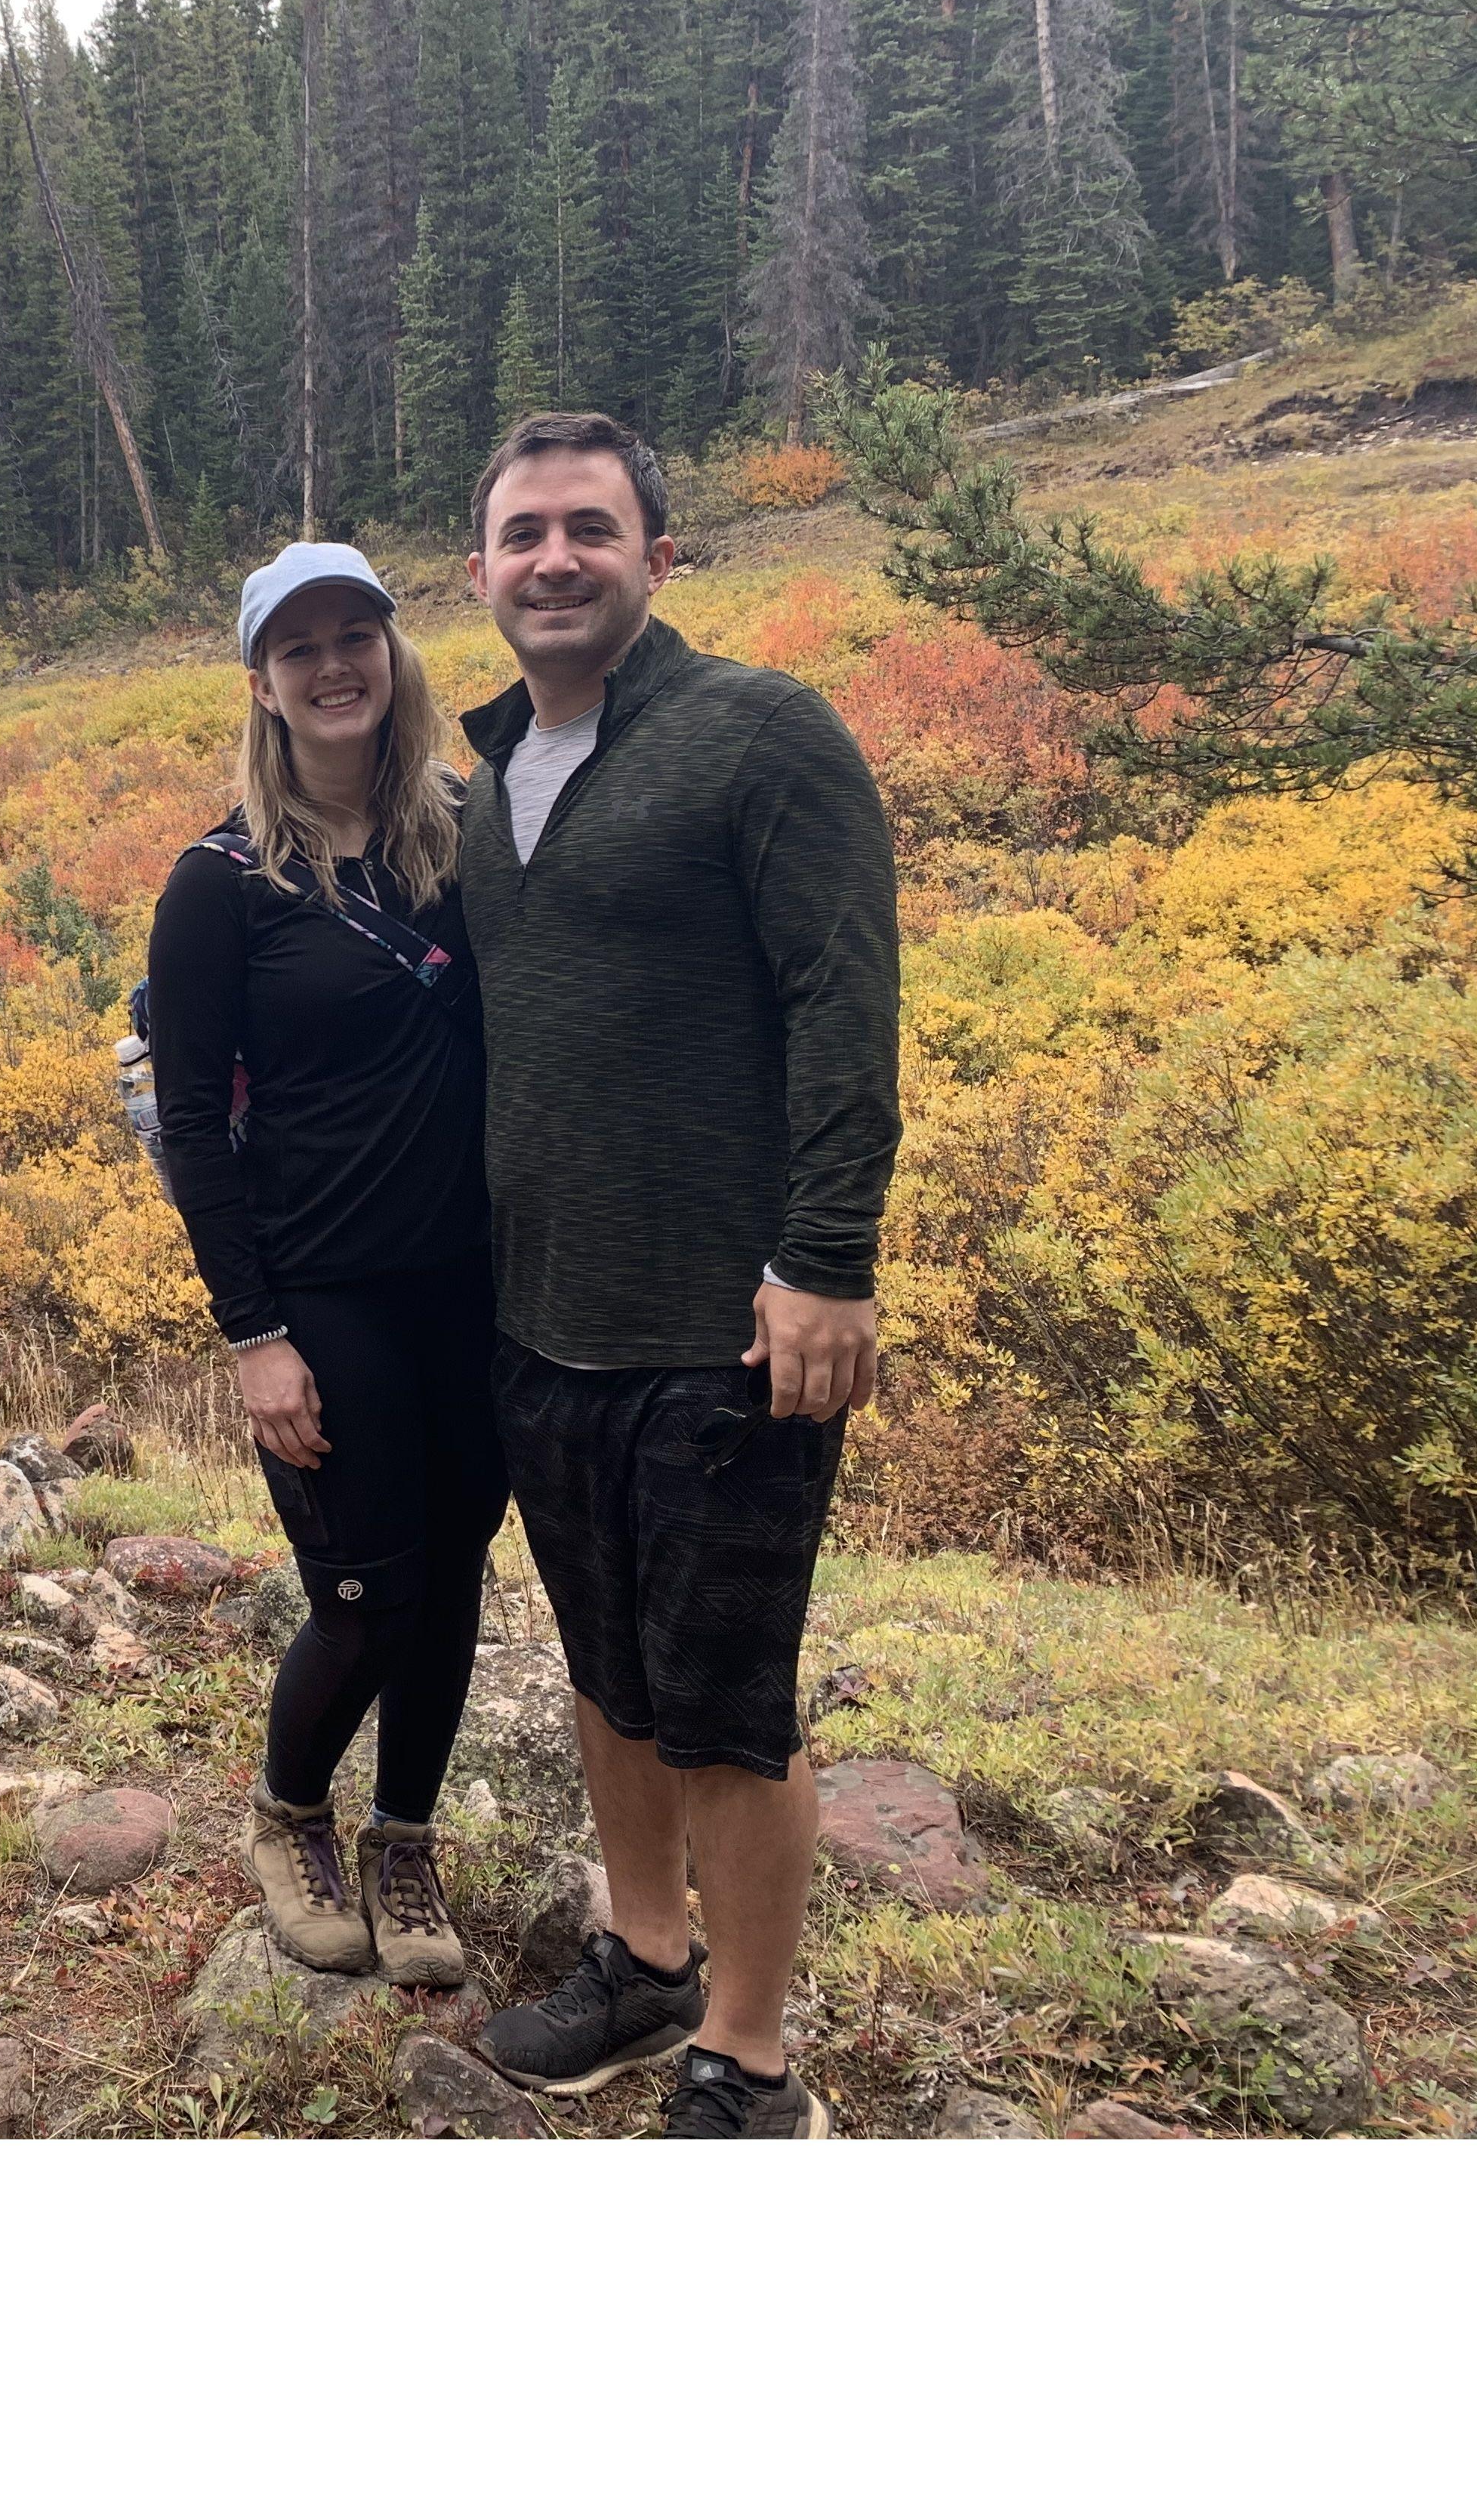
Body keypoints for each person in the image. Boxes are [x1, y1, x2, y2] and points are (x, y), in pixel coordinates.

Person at [458, 411, 900, 2139]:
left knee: (725, 1704)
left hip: (728, 1332)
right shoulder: (491, 780)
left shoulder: (760, 734)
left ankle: (751, 2055)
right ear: (480, 570)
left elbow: (844, 1006)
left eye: (590, 527)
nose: (554, 558)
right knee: (604, 1673)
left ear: (659, 553)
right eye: (522, 533)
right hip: (539, 1322)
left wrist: (827, 1260)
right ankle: (643, 1962)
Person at [144, 540, 508, 1985]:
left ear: (395, 652)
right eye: (302, 647)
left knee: (459, 1573)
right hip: (325, 1293)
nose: (336, 663)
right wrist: (253, 1333)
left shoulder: (472, 841)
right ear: (264, 683)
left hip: (478, 1286)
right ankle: (289, 1814)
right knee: (369, 1590)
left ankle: (404, 1844)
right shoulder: (220, 885)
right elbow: (188, 1124)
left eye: (358, 633)